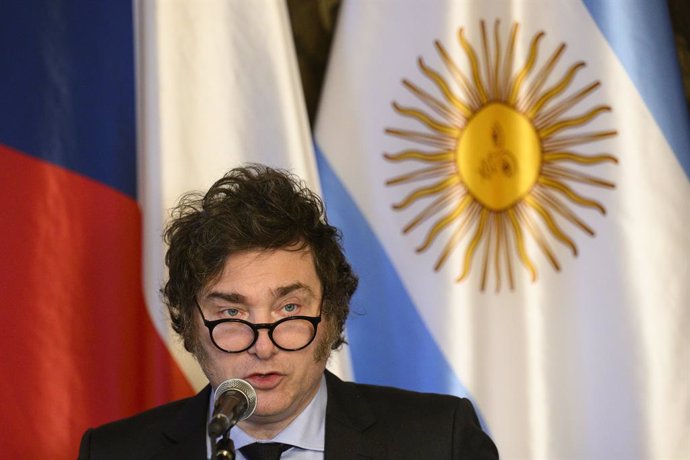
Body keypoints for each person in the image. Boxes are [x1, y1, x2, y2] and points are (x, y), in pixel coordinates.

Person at [78, 164, 499, 459]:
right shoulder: (115, 453)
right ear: (189, 326)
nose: (263, 346)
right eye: (232, 314)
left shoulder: (438, 442)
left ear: (331, 315)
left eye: (290, 308)